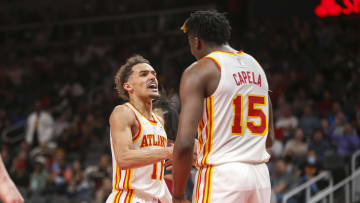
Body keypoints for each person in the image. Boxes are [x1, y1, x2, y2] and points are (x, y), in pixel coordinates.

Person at [172, 10, 274, 203]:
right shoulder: (256, 66)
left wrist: (178, 195)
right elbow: (269, 139)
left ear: (196, 41)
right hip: (260, 177)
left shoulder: (200, 70)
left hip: (222, 176)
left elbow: (185, 143)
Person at [106, 55, 173, 203]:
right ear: (128, 86)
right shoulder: (123, 113)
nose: (152, 77)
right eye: (144, 74)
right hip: (129, 198)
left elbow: (155, 169)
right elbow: (123, 158)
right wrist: (168, 152)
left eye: (153, 74)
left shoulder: (159, 121)